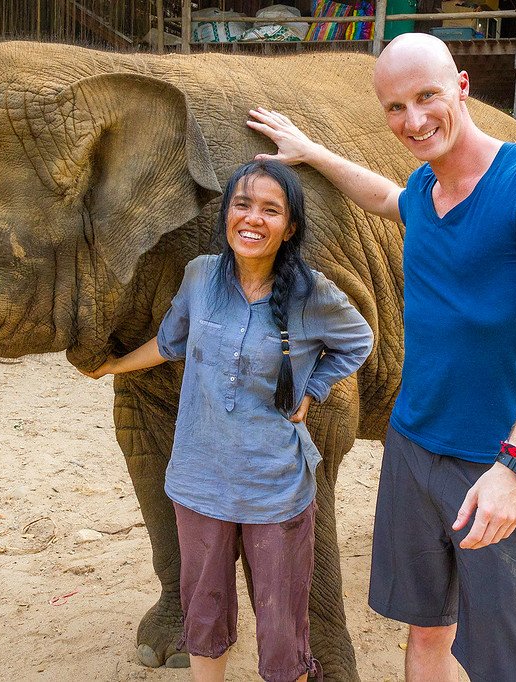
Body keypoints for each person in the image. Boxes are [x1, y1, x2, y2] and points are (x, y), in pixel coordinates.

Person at [246, 33, 516, 681]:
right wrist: (312, 153)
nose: (412, 120)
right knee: (425, 629)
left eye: (427, 97)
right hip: (410, 449)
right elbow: (383, 196)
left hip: (492, 458)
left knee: (497, 657)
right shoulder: (423, 196)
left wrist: (513, 468)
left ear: (460, 86)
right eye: (395, 107)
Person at [84, 159, 374, 682]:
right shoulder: (199, 276)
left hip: (275, 487)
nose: (253, 219)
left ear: (289, 228)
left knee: (283, 629)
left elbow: (359, 340)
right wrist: (116, 364)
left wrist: (313, 387)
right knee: (205, 614)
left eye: (270, 209)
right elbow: (171, 341)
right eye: (242, 204)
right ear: (225, 215)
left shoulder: (312, 293)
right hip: (200, 483)